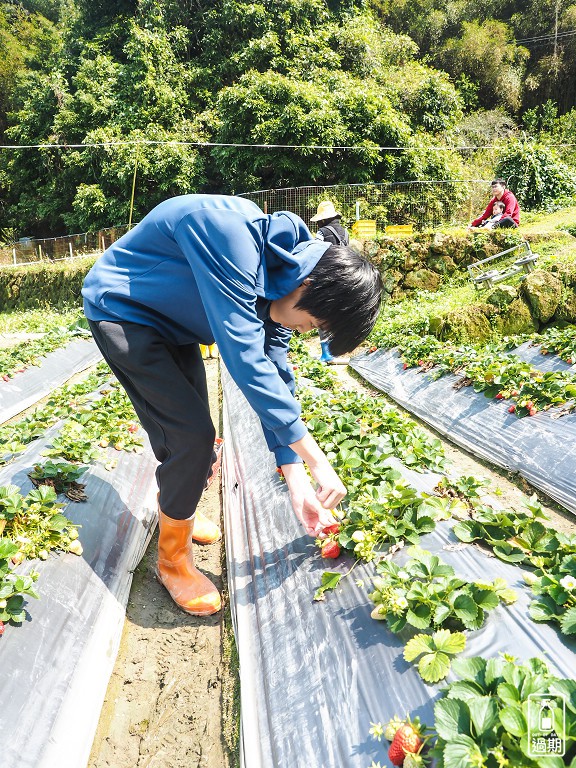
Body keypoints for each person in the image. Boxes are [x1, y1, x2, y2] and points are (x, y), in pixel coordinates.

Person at [82, 194, 382, 617]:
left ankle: (177, 515)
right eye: (313, 324)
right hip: (124, 310)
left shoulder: (281, 290)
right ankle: (172, 561)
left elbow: (275, 375)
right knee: (190, 437)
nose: (304, 330)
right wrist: (317, 460)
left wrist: (297, 484)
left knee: (193, 437)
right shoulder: (225, 231)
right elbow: (244, 358)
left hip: (173, 324)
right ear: (310, 286)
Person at [310, 201, 349, 362]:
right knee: (337, 314)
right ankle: (338, 349)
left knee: (321, 313)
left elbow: (314, 252)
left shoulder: (322, 232)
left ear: (323, 219)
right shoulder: (346, 232)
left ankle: (326, 352)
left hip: (326, 278)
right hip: (343, 277)